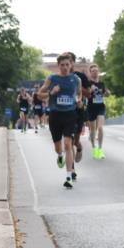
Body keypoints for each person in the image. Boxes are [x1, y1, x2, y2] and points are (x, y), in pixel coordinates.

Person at [37, 54, 82, 188]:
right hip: (55, 116)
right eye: (62, 65)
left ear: (71, 65)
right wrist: (51, 92)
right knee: (58, 148)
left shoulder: (76, 79)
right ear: (59, 66)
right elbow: (39, 95)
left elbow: (79, 93)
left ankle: (68, 177)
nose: (65, 67)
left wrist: (79, 100)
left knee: (68, 144)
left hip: (70, 114)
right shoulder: (52, 78)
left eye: (67, 64)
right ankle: (60, 155)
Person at [64, 52, 92, 168]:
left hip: (78, 111)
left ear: (73, 63)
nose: (67, 64)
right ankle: (72, 170)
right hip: (65, 111)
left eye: (69, 61)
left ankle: (79, 148)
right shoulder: (60, 77)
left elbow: (89, 94)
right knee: (68, 141)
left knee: (75, 141)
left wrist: (78, 88)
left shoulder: (81, 76)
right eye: (65, 62)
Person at [86, 64, 109, 159]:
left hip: (100, 107)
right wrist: (90, 91)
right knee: (92, 131)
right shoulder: (87, 83)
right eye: (93, 71)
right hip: (91, 108)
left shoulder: (102, 84)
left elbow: (106, 94)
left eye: (96, 70)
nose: (95, 72)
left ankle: (100, 149)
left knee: (100, 128)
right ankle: (94, 148)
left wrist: (107, 93)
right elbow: (85, 95)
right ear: (90, 73)